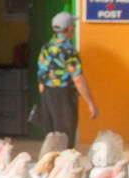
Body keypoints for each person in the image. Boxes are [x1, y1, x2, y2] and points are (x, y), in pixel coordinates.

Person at [36, 11, 99, 142]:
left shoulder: (46, 47)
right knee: (65, 138)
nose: (74, 28)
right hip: (64, 95)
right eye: (73, 26)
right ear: (69, 28)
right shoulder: (68, 49)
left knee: (51, 139)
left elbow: (41, 79)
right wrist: (91, 103)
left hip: (47, 95)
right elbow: (78, 78)